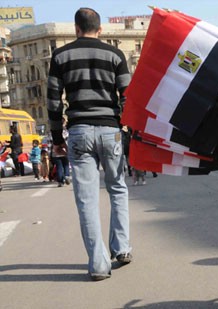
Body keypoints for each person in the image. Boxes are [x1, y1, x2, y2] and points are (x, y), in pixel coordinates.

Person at [47, 7, 132, 281]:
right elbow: (128, 95)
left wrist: (58, 138)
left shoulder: (60, 55)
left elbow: (52, 101)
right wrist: (125, 124)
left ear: (76, 28)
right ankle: (121, 248)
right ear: (101, 29)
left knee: (87, 199)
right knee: (117, 188)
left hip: (80, 131)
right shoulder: (116, 55)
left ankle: (98, 265)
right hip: (111, 130)